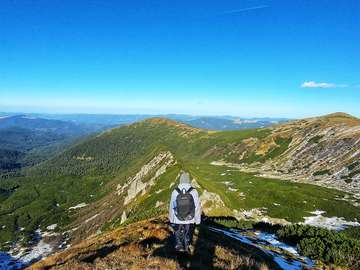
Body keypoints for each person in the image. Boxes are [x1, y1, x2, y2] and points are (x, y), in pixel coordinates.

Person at [168, 172, 201, 252]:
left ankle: (178, 246)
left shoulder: (175, 191)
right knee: (188, 233)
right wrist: (197, 220)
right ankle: (187, 248)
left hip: (177, 218)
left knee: (177, 232)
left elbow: (172, 206)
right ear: (188, 181)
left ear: (180, 181)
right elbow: (197, 206)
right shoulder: (193, 191)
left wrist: (171, 219)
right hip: (190, 217)